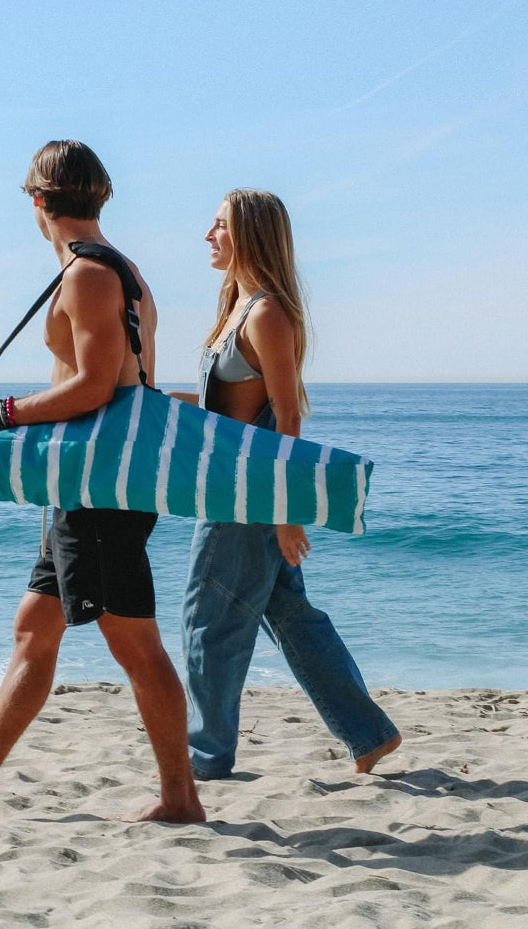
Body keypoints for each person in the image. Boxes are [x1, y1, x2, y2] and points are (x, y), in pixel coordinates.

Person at [0, 140, 205, 823]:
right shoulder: (118, 270)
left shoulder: (89, 277)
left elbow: (95, 387)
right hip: (89, 485)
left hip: (101, 492)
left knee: (139, 648)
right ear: (100, 195)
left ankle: (182, 801)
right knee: (35, 626)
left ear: (37, 202)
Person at [171, 189, 401, 780]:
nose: (207, 235)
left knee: (208, 624)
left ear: (247, 233)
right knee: (290, 615)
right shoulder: (238, 308)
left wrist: (284, 512)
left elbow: (287, 420)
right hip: (235, 488)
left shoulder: (267, 313)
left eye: (217, 225)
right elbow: (221, 411)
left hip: (248, 496)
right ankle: (368, 734)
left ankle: (204, 757)